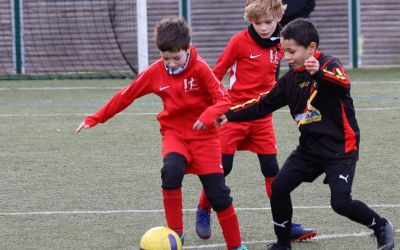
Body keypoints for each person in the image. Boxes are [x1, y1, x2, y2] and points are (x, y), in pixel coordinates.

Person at [218, 18, 395, 250]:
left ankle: (381, 226)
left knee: (340, 203)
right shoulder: (289, 81)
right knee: (279, 187)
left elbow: (343, 84)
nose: (286, 56)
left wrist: (319, 74)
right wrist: (228, 115)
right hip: (309, 149)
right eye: (283, 51)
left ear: (311, 48)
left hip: (340, 149)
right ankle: (283, 244)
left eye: (291, 51)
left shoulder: (330, 64)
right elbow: (262, 104)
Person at [76, 16, 247, 250]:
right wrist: (96, 117)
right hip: (174, 134)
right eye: (166, 58)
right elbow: (127, 95)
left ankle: (236, 246)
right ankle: (176, 236)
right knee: (171, 171)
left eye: (177, 58)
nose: (172, 63)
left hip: (205, 139)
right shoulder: (156, 72)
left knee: (218, 194)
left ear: (187, 49)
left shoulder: (201, 69)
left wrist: (206, 117)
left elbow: (224, 99)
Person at [194, 0, 316, 242]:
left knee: (272, 170)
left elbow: (300, 58)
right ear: (249, 20)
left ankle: (285, 225)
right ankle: (203, 209)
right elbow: (216, 73)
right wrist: (208, 106)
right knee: (222, 168)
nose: (263, 27)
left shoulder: (283, 42)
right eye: (257, 22)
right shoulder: (238, 42)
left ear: (279, 16)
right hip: (233, 115)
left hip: (261, 117)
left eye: (268, 22)